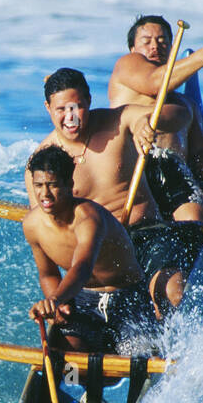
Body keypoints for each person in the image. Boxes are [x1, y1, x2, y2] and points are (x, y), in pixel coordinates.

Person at [29, 68, 197, 320]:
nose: (70, 117)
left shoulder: (118, 121)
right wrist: (57, 303)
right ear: (47, 108)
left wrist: (148, 123)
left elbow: (183, 115)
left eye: (76, 107)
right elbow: (47, 235)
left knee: (173, 292)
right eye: (61, 110)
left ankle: (170, 350)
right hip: (97, 256)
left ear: (89, 101)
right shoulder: (41, 165)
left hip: (145, 234)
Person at [23, 144, 151, 351]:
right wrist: (57, 306)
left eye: (52, 185)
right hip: (83, 301)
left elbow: (82, 267)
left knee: (137, 360)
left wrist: (55, 299)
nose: (44, 194)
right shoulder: (32, 225)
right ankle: (78, 379)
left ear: (69, 184)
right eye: (38, 185)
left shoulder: (89, 218)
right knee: (68, 358)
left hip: (127, 298)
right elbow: (48, 274)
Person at [107, 14, 203, 222]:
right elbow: (155, 82)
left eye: (162, 41)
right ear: (132, 49)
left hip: (174, 174)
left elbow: (199, 153)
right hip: (131, 169)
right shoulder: (126, 66)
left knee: (194, 217)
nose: (154, 46)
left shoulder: (186, 105)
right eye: (146, 42)